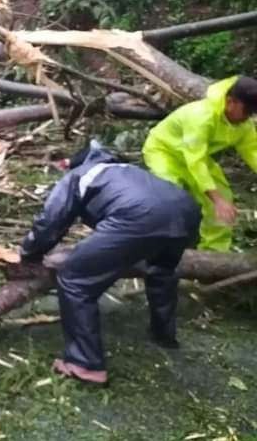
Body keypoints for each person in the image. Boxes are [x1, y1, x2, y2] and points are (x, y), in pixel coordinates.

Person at [20, 142, 201, 386]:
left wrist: (28, 253)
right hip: (186, 211)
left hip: (141, 218)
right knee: (162, 269)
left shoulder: (78, 175)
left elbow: (50, 223)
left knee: (75, 280)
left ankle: (84, 364)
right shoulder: (124, 170)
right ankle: (164, 334)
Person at [143, 75, 257, 251]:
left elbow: (253, 152)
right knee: (170, 199)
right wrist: (217, 199)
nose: (249, 117)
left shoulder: (243, 125)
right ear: (230, 101)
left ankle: (214, 256)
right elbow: (195, 161)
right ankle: (159, 250)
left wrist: (220, 201)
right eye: (247, 110)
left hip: (197, 156)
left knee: (224, 203)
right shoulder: (201, 117)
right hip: (164, 152)